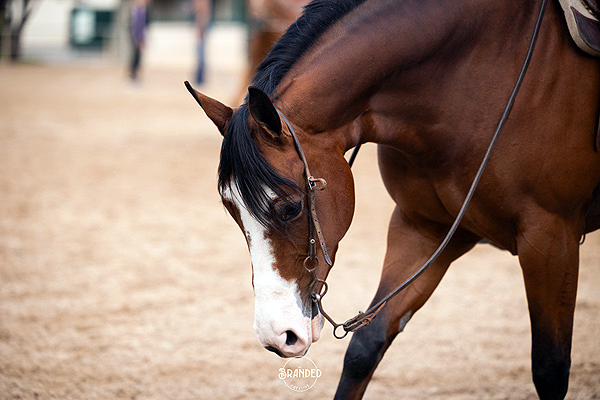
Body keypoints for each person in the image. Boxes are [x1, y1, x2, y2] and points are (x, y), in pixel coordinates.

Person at [130, 0, 149, 82]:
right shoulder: (136, 11)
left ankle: (135, 75)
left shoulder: (143, 11)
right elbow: (136, 26)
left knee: (139, 57)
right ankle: (132, 75)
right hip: (136, 36)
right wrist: (137, 38)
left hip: (140, 36)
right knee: (135, 56)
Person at [193, 0, 211, 84]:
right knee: (200, 56)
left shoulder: (203, 5)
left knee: (200, 56)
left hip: (201, 36)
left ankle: (200, 78)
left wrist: (200, 32)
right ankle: (200, 77)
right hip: (200, 35)